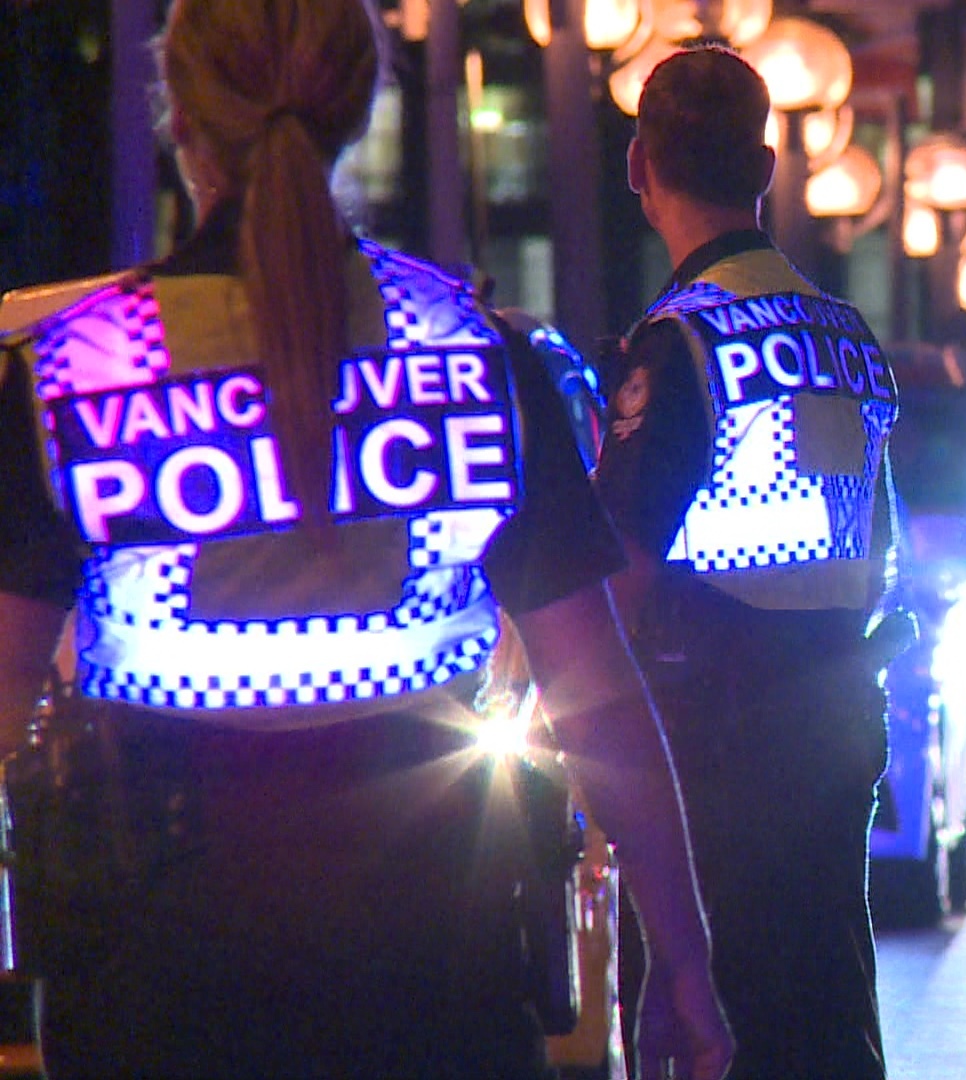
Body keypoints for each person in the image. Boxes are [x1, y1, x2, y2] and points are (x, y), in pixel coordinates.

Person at [0, 2, 731, 1077]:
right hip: (441, 954)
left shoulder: (73, 370)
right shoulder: (476, 357)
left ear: (181, 116)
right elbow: (597, 695)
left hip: (152, 965)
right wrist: (684, 959)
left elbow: (5, 688)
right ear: (361, 105)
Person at [593, 46, 900, 1080]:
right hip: (836, 711)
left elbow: (620, 569)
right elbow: (880, 538)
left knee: (702, 1017)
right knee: (829, 1002)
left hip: (705, 738)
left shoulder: (679, 341)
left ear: (641, 167)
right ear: (768, 169)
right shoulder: (847, 334)